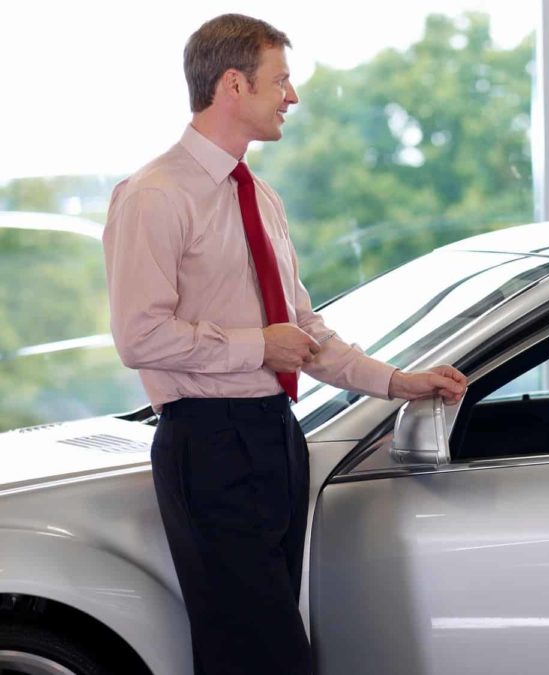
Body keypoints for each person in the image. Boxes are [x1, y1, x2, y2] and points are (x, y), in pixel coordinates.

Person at [102, 14, 467, 675]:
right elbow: (139, 335)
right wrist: (257, 345)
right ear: (234, 84)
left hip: (275, 436)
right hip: (208, 443)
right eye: (282, 80)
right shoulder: (153, 196)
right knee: (262, 653)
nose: (292, 97)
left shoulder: (259, 195)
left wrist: (398, 381)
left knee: (257, 649)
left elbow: (302, 330)